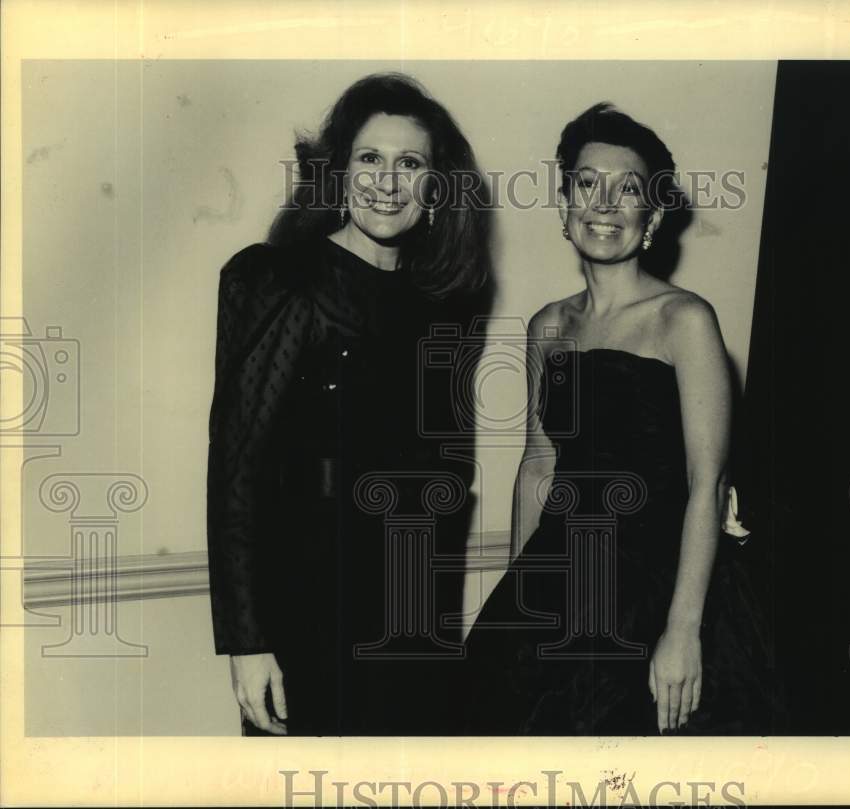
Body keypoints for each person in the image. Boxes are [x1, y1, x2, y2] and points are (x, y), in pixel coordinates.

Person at [462, 103, 785, 735]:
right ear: (564, 205)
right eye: (588, 184)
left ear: (654, 217)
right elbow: (538, 466)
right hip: (561, 577)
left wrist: (682, 633)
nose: (605, 204)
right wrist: (519, 593)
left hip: (661, 588)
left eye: (628, 188)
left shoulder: (684, 320)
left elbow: (708, 483)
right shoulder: (548, 326)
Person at [206, 73, 491, 736]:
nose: (387, 182)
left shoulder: (447, 302)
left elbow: (451, 469)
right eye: (370, 158)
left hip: (413, 610)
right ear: (338, 171)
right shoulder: (278, 279)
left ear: (435, 187)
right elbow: (236, 469)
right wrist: (247, 644)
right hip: (309, 602)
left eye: (409, 163)